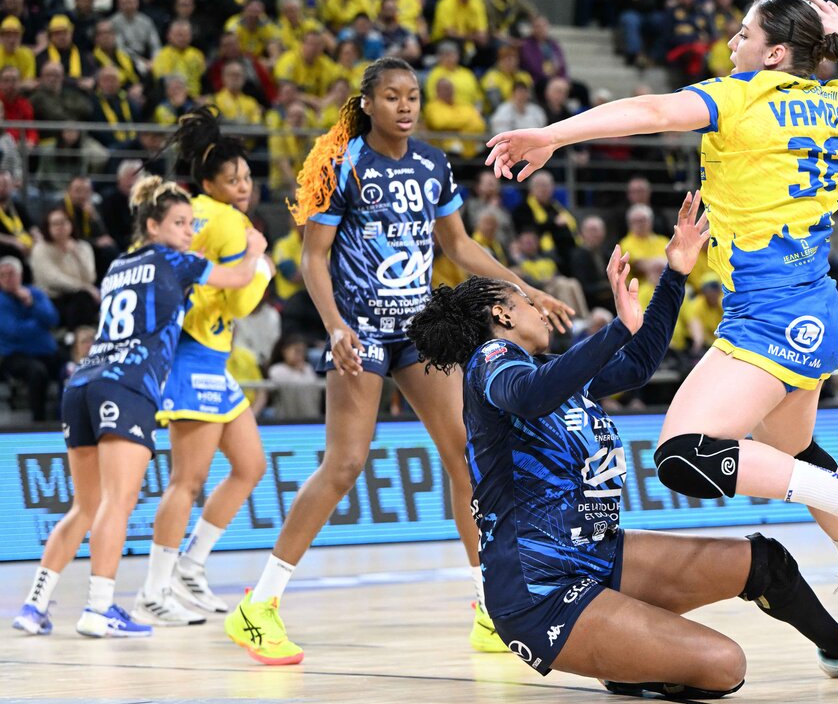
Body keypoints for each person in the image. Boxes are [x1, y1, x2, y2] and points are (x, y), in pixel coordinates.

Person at [487, 0, 838, 632]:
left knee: (684, 455)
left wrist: (553, 135)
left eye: (744, 33)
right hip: (813, 307)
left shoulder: (740, 97)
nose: (733, 44)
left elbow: (651, 111)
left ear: (775, 53)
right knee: (792, 453)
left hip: (775, 316)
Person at [407, 192, 838, 691]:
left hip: (599, 554)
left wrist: (675, 274)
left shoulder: (550, 371)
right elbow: (529, 396)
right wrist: (615, 329)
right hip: (540, 592)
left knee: (764, 561)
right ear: (501, 314)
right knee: (725, 666)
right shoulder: (492, 365)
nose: (540, 311)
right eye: (527, 302)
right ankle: (626, 663)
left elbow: (637, 364)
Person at [222, 57, 574, 665]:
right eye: (392, 96)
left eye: (412, 95)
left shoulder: (432, 163)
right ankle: (259, 605)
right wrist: (334, 326)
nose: (405, 105)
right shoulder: (342, 163)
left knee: (467, 455)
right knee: (344, 464)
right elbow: (312, 258)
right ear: (368, 104)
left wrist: (524, 289)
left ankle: (489, 607)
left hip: (420, 332)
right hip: (359, 332)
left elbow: (458, 245)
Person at [11, 178, 266, 638]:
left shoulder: (118, 264)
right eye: (179, 223)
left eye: (191, 223)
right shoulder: (177, 261)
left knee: (85, 506)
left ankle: (34, 605)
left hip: (83, 382)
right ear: (152, 225)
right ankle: (99, 608)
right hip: (127, 386)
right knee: (118, 502)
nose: (189, 231)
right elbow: (238, 280)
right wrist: (254, 251)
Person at [130, 108, 276, 627]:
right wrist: (262, 269)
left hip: (201, 355)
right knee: (186, 481)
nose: (244, 187)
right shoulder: (233, 223)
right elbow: (238, 304)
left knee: (250, 464)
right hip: (193, 355)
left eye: (247, 177)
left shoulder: (187, 212)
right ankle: (153, 589)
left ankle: (190, 567)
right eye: (233, 179)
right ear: (210, 183)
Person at [0, 257, 60, 422]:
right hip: (14, 356)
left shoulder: (35, 293)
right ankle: (38, 422)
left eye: (10, 274)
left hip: (46, 352)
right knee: (37, 372)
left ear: (20, 275)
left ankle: (66, 416)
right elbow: (13, 331)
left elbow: (53, 319)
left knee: (70, 367)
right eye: (2, 275)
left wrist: (31, 303)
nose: (6, 278)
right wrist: (40, 326)